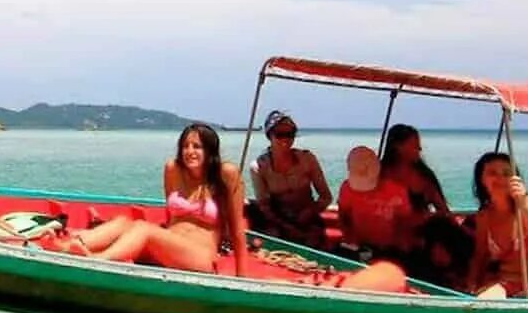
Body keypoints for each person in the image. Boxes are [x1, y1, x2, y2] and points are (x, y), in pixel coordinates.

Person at [70, 122, 251, 274]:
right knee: (124, 221)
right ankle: (70, 246)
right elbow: (171, 218)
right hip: (167, 249)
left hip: (199, 256)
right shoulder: (173, 169)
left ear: (210, 151)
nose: (189, 152)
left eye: (197, 146)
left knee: (144, 228)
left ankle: (97, 261)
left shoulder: (226, 174)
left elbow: (237, 230)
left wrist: (241, 277)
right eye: (185, 146)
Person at [466, 151, 528, 298]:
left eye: (507, 173)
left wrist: (520, 201)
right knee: (483, 303)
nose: (500, 178)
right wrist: (472, 283)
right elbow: (480, 255)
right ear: (482, 179)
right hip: (507, 284)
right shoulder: (484, 215)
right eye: (492, 173)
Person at [381, 124, 472, 286]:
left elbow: (442, 209)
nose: (420, 149)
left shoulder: (423, 175)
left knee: (443, 227)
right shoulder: (380, 173)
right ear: (397, 146)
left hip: (421, 230)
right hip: (391, 230)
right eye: (415, 145)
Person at [246, 111, 332, 249]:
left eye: (290, 134)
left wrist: (310, 211)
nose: (285, 139)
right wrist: (285, 225)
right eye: (279, 134)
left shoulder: (307, 159)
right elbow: (264, 206)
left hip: (308, 219)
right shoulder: (258, 167)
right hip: (277, 221)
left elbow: (326, 197)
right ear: (269, 136)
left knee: (313, 241)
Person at [335, 146, 417, 260]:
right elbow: (343, 216)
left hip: (391, 248)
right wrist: (350, 238)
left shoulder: (397, 191)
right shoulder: (346, 188)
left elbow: (405, 224)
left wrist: (395, 248)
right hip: (359, 246)